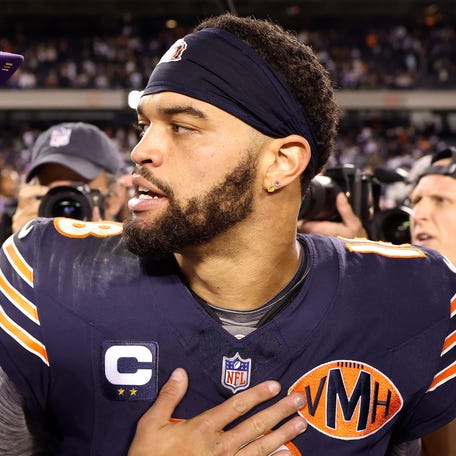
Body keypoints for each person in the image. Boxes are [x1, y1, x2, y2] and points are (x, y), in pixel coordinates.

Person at [0, 13, 455, 456]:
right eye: (145, 126)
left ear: (280, 163)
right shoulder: (48, 272)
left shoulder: (419, 296)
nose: (141, 151)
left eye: (182, 126)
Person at [9, 121, 129, 240]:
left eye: (78, 187)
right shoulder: (19, 247)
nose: (63, 201)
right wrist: (22, 247)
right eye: (51, 189)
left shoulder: (138, 257)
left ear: (115, 197)